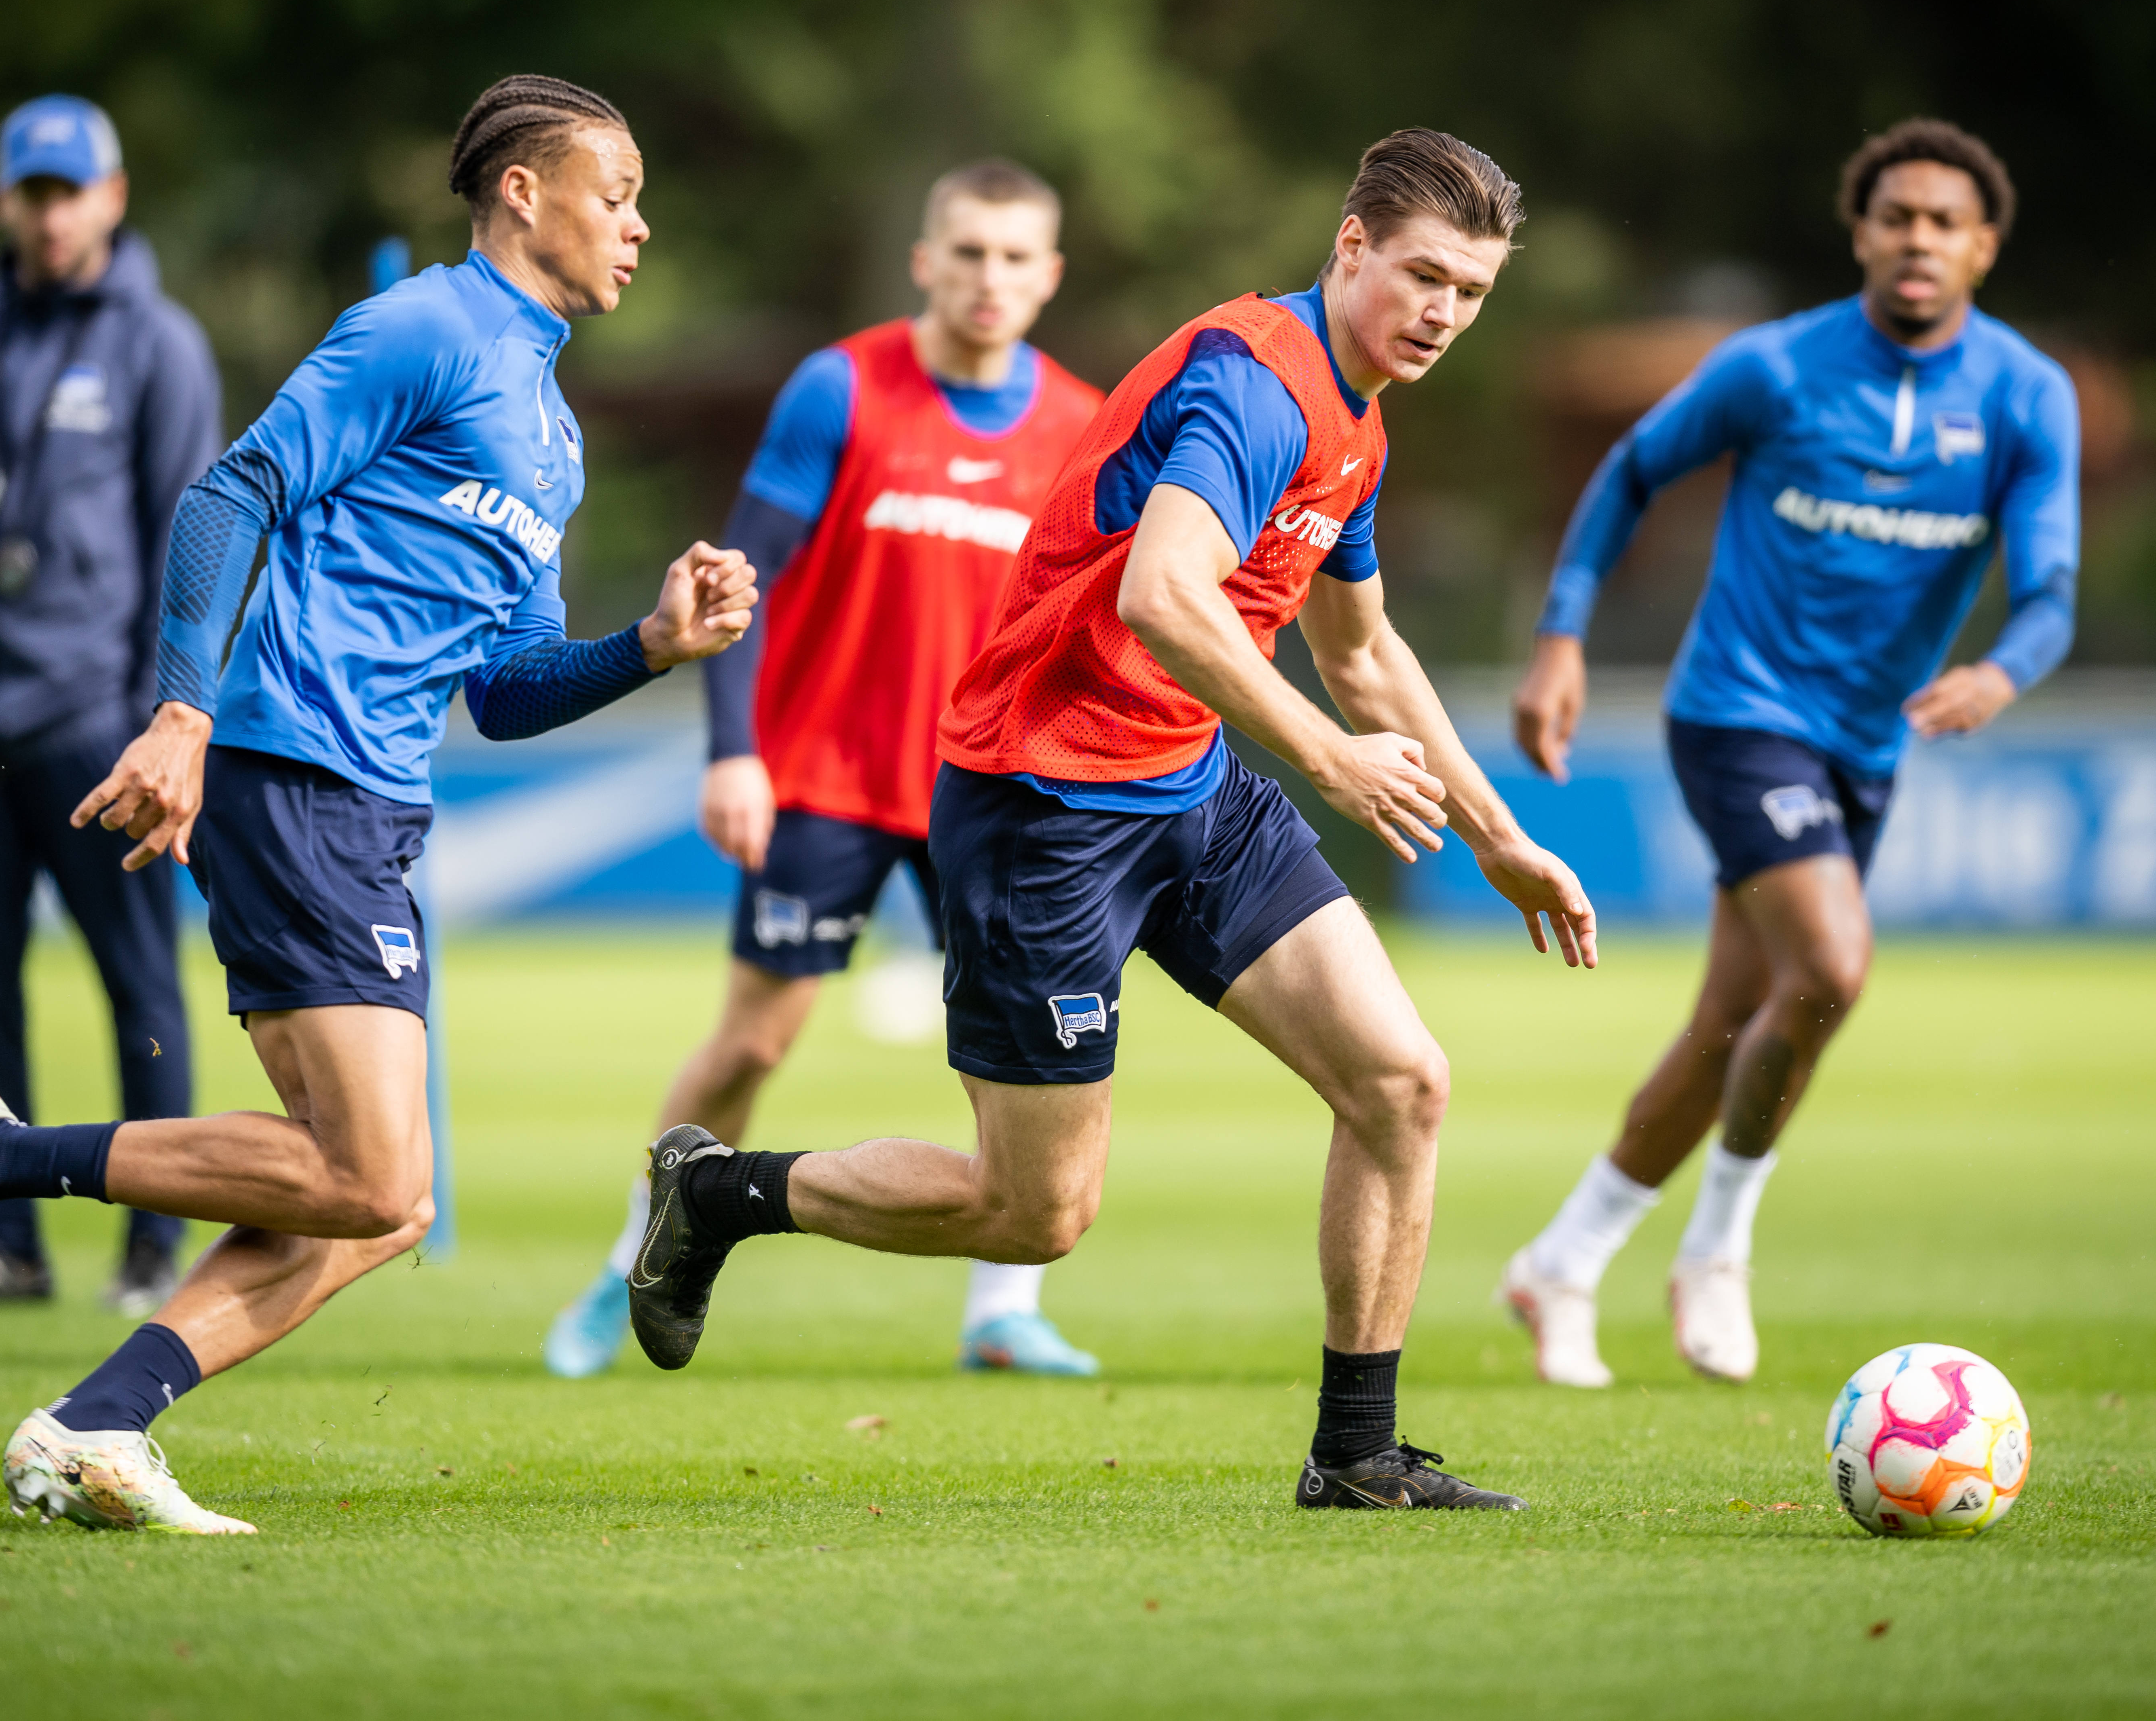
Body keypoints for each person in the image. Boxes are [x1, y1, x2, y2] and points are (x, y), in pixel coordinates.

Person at [0, 75, 759, 1535]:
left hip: (375, 800)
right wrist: (185, 712)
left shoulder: (551, 434)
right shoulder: (427, 329)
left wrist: (651, 649)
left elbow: (499, 687)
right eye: (614, 191)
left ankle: (95, 1424)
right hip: (294, 765)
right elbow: (228, 496)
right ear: (521, 191)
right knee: (372, 1174)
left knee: (383, 1200)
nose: (638, 224)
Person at [622, 130, 1599, 1512]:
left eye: (1474, 292)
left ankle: (1357, 1455)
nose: (1444, 311)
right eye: (1425, 275)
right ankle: (722, 1196)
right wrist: (1325, 756)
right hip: (1045, 805)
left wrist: (1501, 837)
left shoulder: (1358, 424)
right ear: (1349, 249)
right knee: (1036, 1215)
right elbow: (1163, 594)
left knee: (1400, 1082)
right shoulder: (1256, 385)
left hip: (1190, 788)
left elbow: (1367, 652)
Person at [1498, 117, 2079, 1389]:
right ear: (1862, 233)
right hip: (1739, 714)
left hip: (1868, 749)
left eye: (1945, 222)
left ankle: (1563, 1260)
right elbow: (1632, 471)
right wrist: (1561, 639)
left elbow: (2050, 592)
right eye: (1897, 217)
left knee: (1740, 1023)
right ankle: (1716, 1253)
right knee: (1831, 966)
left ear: (1983, 247)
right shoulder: (1776, 367)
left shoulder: (2027, 396)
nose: (1919, 238)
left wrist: (2000, 669)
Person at [544, 161, 1109, 1380]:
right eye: (967, 253)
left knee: (1015, 1056)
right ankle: (629, 1257)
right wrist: (735, 751)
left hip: (998, 790)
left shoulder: (1081, 423)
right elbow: (737, 585)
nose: (990, 278)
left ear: (1050, 276)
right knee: (752, 1045)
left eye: (1016, 258)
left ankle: (1001, 1313)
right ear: (925, 260)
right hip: (827, 780)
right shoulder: (841, 388)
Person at [0, 95, 216, 1319]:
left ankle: (157, 1251)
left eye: (74, 192)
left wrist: (166, 714)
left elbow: (192, 541)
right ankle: (5, 1249)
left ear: (113, 196)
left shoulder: (160, 344)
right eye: (35, 192)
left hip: (90, 727)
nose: (54, 215)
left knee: (142, 991)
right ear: (5, 200)